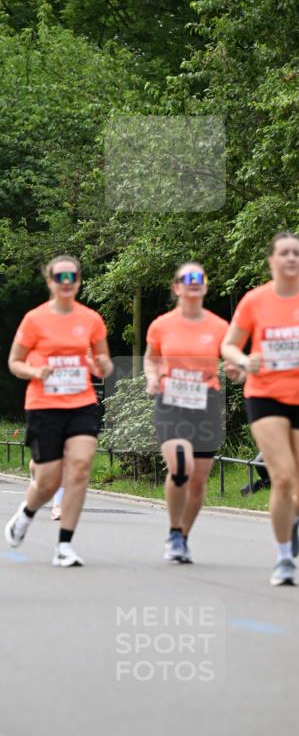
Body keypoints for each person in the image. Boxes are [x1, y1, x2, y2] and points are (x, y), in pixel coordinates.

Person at [5, 254, 113, 566]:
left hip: (81, 404)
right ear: (50, 281)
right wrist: (35, 373)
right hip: (44, 405)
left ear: (78, 281)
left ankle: (64, 545)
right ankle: (25, 514)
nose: (66, 283)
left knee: (79, 468)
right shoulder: (34, 319)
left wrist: (101, 365)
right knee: (48, 480)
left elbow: (103, 364)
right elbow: (14, 362)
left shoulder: (91, 319)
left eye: (72, 278)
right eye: (59, 278)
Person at [222, 231, 299, 586]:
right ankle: (284, 559)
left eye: (296, 253)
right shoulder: (255, 301)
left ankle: (293, 520)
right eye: (284, 253)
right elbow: (229, 344)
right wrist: (241, 360)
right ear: (271, 261)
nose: (291, 259)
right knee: (283, 477)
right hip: (265, 394)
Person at [144, 263, 231, 563]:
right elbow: (151, 358)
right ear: (176, 287)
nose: (194, 283)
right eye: (187, 278)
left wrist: (235, 367)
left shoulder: (220, 326)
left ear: (205, 286)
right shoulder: (161, 325)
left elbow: (231, 357)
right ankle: (172, 530)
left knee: (199, 480)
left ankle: (182, 537)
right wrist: (152, 378)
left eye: (199, 278)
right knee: (182, 468)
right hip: (171, 401)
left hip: (206, 402)